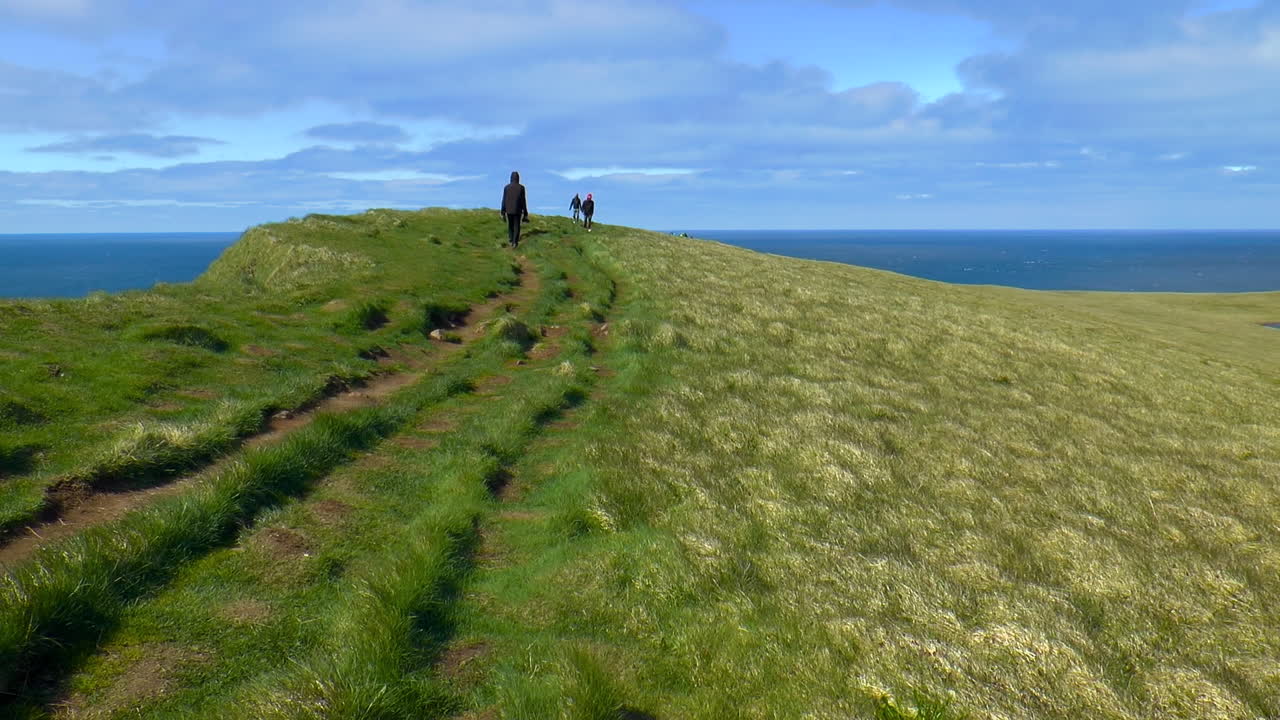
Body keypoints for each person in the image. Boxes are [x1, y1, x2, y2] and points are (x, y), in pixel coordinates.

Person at [500, 171, 529, 248]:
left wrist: (502, 212)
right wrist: (525, 213)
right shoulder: (521, 188)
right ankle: (515, 242)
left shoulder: (506, 187)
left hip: (509, 209)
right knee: (517, 225)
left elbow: (504, 200)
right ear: (518, 178)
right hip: (517, 210)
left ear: (511, 178)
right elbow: (523, 200)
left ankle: (510, 239)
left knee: (510, 224)